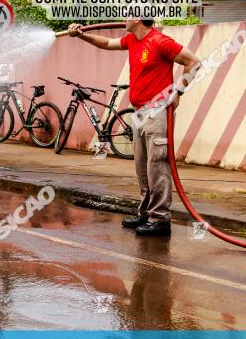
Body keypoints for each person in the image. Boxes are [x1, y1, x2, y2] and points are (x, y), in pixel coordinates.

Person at [67, 20, 199, 236]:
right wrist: (82, 35)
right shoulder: (132, 40)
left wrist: (178, 92)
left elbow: (194, 62)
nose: (124, 17)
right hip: (139, 112)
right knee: (142, 166)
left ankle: (160, 219)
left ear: (137, 19)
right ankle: (146, 213)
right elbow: (108, 43)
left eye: (128, 13)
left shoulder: (159, 41)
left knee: (157, 165)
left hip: (158, 112)